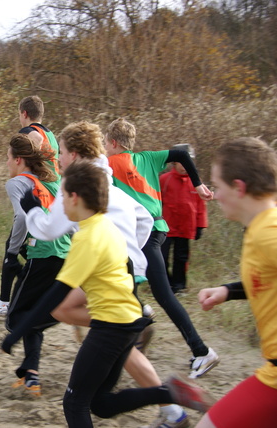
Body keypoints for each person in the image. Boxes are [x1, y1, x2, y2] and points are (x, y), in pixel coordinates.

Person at [1, 160, 215, 427]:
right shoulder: (107, 226)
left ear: (75, 197)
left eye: (63, 196)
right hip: (128, 324)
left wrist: (16, 334)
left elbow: (57, 294)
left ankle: (169, 393)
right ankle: (169, 392)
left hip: (109, 328)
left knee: (74, 403)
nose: (60, 204)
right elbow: (126, 268)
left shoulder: (87, 237)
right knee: (100, 403)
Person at [22, 121, 188, 427]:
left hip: (110, 270)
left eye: (61, 153)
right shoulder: (105, 172)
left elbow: (49, 228)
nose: (58, 159)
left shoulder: (77, 182)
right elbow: (143, 218)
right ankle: (167, 399)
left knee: (79, 316)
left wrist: (31, 208)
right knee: (113, 340)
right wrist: (132, 254)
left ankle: (169, 403)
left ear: (72, 154)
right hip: (124, 267)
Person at [104, 117, 219, 379]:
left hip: (144, 234)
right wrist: (198, 184)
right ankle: (138, 315)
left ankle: (201, 351)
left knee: (164, 295)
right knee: (122, 279)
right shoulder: (149, 158)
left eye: (105, 143)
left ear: (112, 142)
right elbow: (180, 153)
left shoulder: (110, 164)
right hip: (155, 229)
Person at [195, 137, 277, 428]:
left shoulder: (269, 231)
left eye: (218, 186)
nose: (214, 196)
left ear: (239, 187)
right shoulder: (261, 227)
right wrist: (228, 291)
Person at [0, 133, 70, 396]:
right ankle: (31, 374)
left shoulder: (16, 183)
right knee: (31, 308)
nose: (6, 163)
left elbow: (21, 217)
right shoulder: (50, 181)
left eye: (7, 158)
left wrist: (11, 251)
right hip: (64, 253)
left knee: (18, 316)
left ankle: (31, 366)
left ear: (18, 160)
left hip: (42, 253)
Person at [0, 95, 60, 316]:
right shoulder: (52, 135)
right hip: (52, 190)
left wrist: (30, 166)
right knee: (28, 247)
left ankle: (6, 301)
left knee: (13, 245)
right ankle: (13, 295)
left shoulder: (30, 132)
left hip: (38, 190)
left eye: (19, 114)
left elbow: (34, 140)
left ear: (24, 113)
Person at [160, 144, 208, 294]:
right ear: (174, 162)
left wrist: (201, 225)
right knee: (162, 256)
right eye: (182, 162)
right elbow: (156, 202)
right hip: (166, 227)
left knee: (181, 258)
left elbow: (201, 205)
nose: (186, 165)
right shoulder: (164, 180)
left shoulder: (196, 181)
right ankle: (165, 285)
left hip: (186, 227)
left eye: (190, 161)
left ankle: (179, 286)